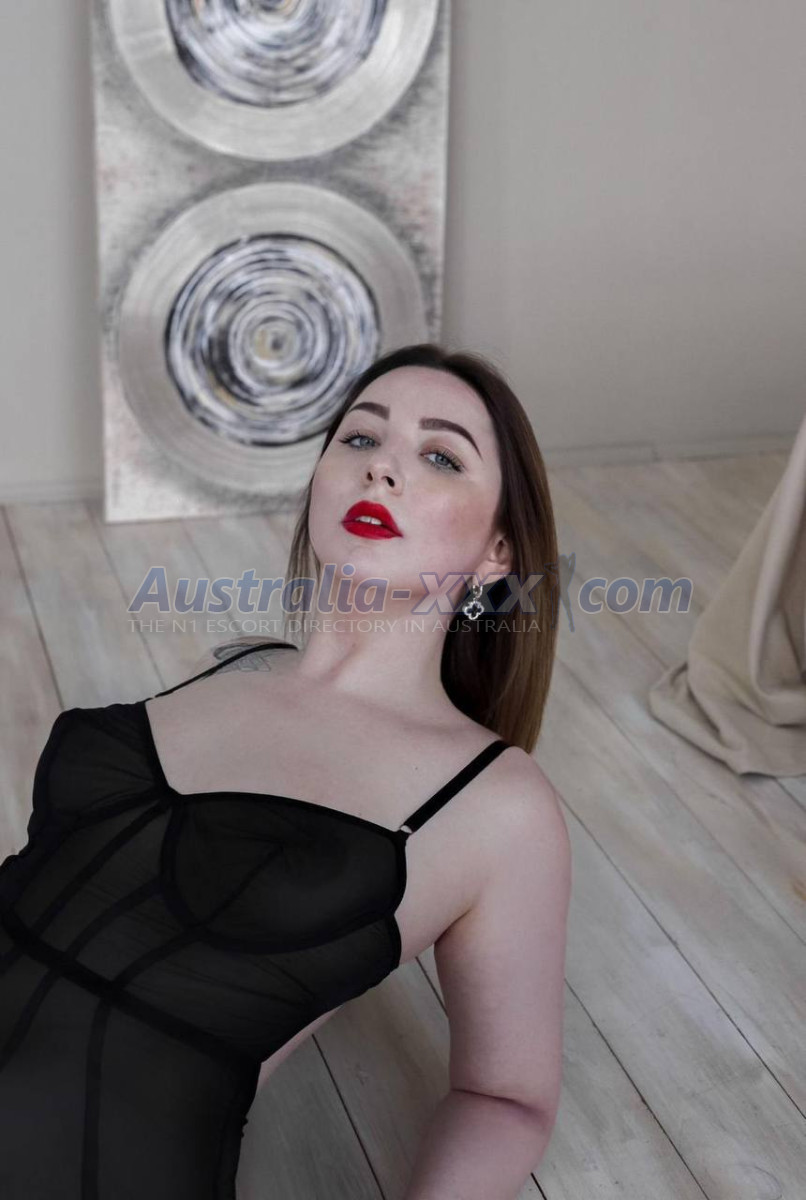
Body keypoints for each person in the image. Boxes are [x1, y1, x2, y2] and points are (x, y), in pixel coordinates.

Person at [0, 342, 572, 1199]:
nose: (381, 468)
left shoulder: (496, 805)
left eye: (440, 456)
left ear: (498, 552)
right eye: (360, 438)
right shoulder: (235, 665)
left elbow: (508, 1097)